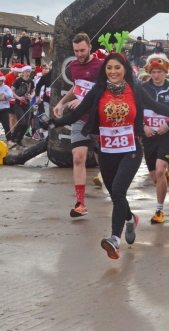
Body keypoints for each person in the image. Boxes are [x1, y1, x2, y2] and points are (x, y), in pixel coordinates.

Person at [45, 53, 169, 259]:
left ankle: (114, 240)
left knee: (118, 190)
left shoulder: (135, 90)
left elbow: (157, 107)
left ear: (125, 69)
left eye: (117, 68)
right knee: (115, 195)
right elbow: (76, 114)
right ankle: (130, 218)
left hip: (131, 149)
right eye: (109, 68)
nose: (113, 72)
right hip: (107, 150)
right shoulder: (98, 90)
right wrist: (52, 123)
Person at [52, 33, 104, 217]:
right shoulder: (73, 67)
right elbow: (76, 88)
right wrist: (61, 103)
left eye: (82, 50)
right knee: (78, 157)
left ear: (90, 47)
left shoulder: (101, 66)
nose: (79, 54)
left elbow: (104, 92)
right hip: (80, 119)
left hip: (99, 120)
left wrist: (83, 100)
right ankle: (80, 203)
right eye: (76, 51)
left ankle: (113, 188)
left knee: (103, 159)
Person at [141, 54, 169, 223]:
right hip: (148, 136)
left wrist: (168, 124)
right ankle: (164, 177)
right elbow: (134, 110)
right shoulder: (142, 88)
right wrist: (142, 127)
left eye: (160, 71)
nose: (156, 75)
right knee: (155, 176)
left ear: (166, 72)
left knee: (160, 170)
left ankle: (159, 211)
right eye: (153, 72)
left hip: (166, 136)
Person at [10, 65, 34, 148]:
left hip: (27, 103)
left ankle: (19, 139)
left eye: (29, 71)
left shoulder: (31, 81)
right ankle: (13, 137)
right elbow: (12, 90)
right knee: (22, 122)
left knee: (27, 124)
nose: (28, 73)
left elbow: (33, 91)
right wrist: (18, 97)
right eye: (26, 71)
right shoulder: (18, 81)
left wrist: (31, 96)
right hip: (18, 103)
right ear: (23, 72)